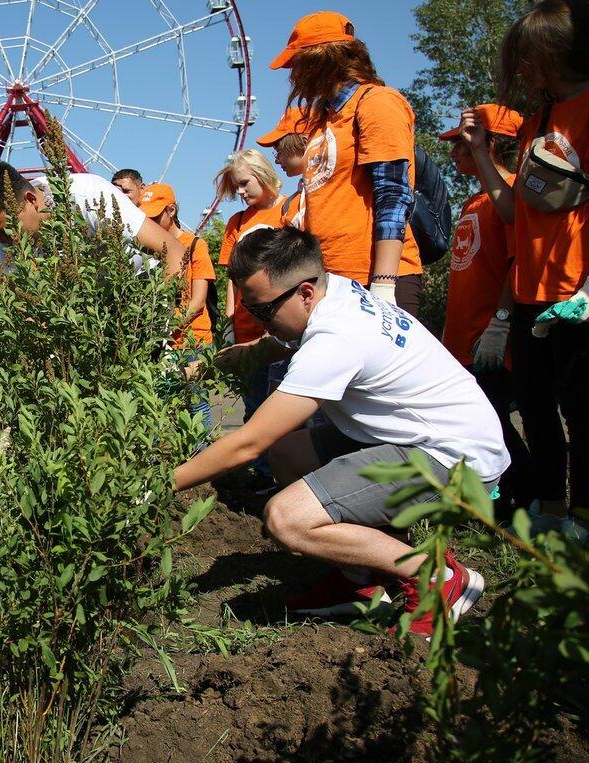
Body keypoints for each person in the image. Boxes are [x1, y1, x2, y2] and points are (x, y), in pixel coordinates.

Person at [174, 227, 505, 635]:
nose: (257, 320)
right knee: (287, 453)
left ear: (305, 292)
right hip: (424, 434)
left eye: (261, 310)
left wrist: (161, 483)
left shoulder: (335, 340)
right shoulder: (340, 293)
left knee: (286, 519)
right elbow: (270, 347)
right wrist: (198, 368)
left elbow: (247, 443)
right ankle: (358, 582)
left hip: (455, 458)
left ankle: (439, 578)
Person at [461, 0, 589, 540]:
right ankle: (553, 509)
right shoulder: (540, 120)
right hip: (533, 292)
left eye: (529, 58)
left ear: (558, 49)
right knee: (536, 406)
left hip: (577, 294)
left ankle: (582, 516)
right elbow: (515, 212)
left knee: (581, 407)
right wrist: (482, 153)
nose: (523, 72)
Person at [270, 11, 426, 316]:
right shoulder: (324, 122)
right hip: (331, 281)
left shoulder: (377, 102)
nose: (293, 76)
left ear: (322, 59)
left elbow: (393, 194)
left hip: (374, 280)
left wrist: (383, 284)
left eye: (297, 64)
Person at [439, 103, 534, 517]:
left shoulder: (511, 194)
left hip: (488, 335)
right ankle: (498, 500)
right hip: (463, 335)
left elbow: (518, 263)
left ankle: (526, 497)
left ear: (490, 143)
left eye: (460, 145)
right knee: (478, 423)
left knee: (494, 422)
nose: (453, 155)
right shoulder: (472, 202)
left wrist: (500, 322)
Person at [0, 160, 185, 279]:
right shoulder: (1, 233)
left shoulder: (90, 197)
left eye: (5, 232)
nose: (4, 241)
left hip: (138, 284)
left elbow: (174, 251)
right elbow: (24, 297)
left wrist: (157, 318)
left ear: (31, 200)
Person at [213, 150, 289, 491]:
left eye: (244, 183)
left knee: (285, 402)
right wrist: (230, 318)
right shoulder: (236, 223)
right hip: (247, 324)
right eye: (236, 187)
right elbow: (232, 274)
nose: (241, 192)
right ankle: (261, 473)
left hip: (282, 325)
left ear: (262, 174)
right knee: (255, 402)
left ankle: (289, 473)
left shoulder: (289, 210)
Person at [137, 183, 215, 426]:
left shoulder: (195, 245)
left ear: (171, 211)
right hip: (162, 342)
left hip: (193, 340)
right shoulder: (147, 249)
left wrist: (167, 330)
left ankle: (203, 459)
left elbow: (198, 300)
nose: (149, 221)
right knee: (159, 406)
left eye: (155, 215)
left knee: (196, 404)